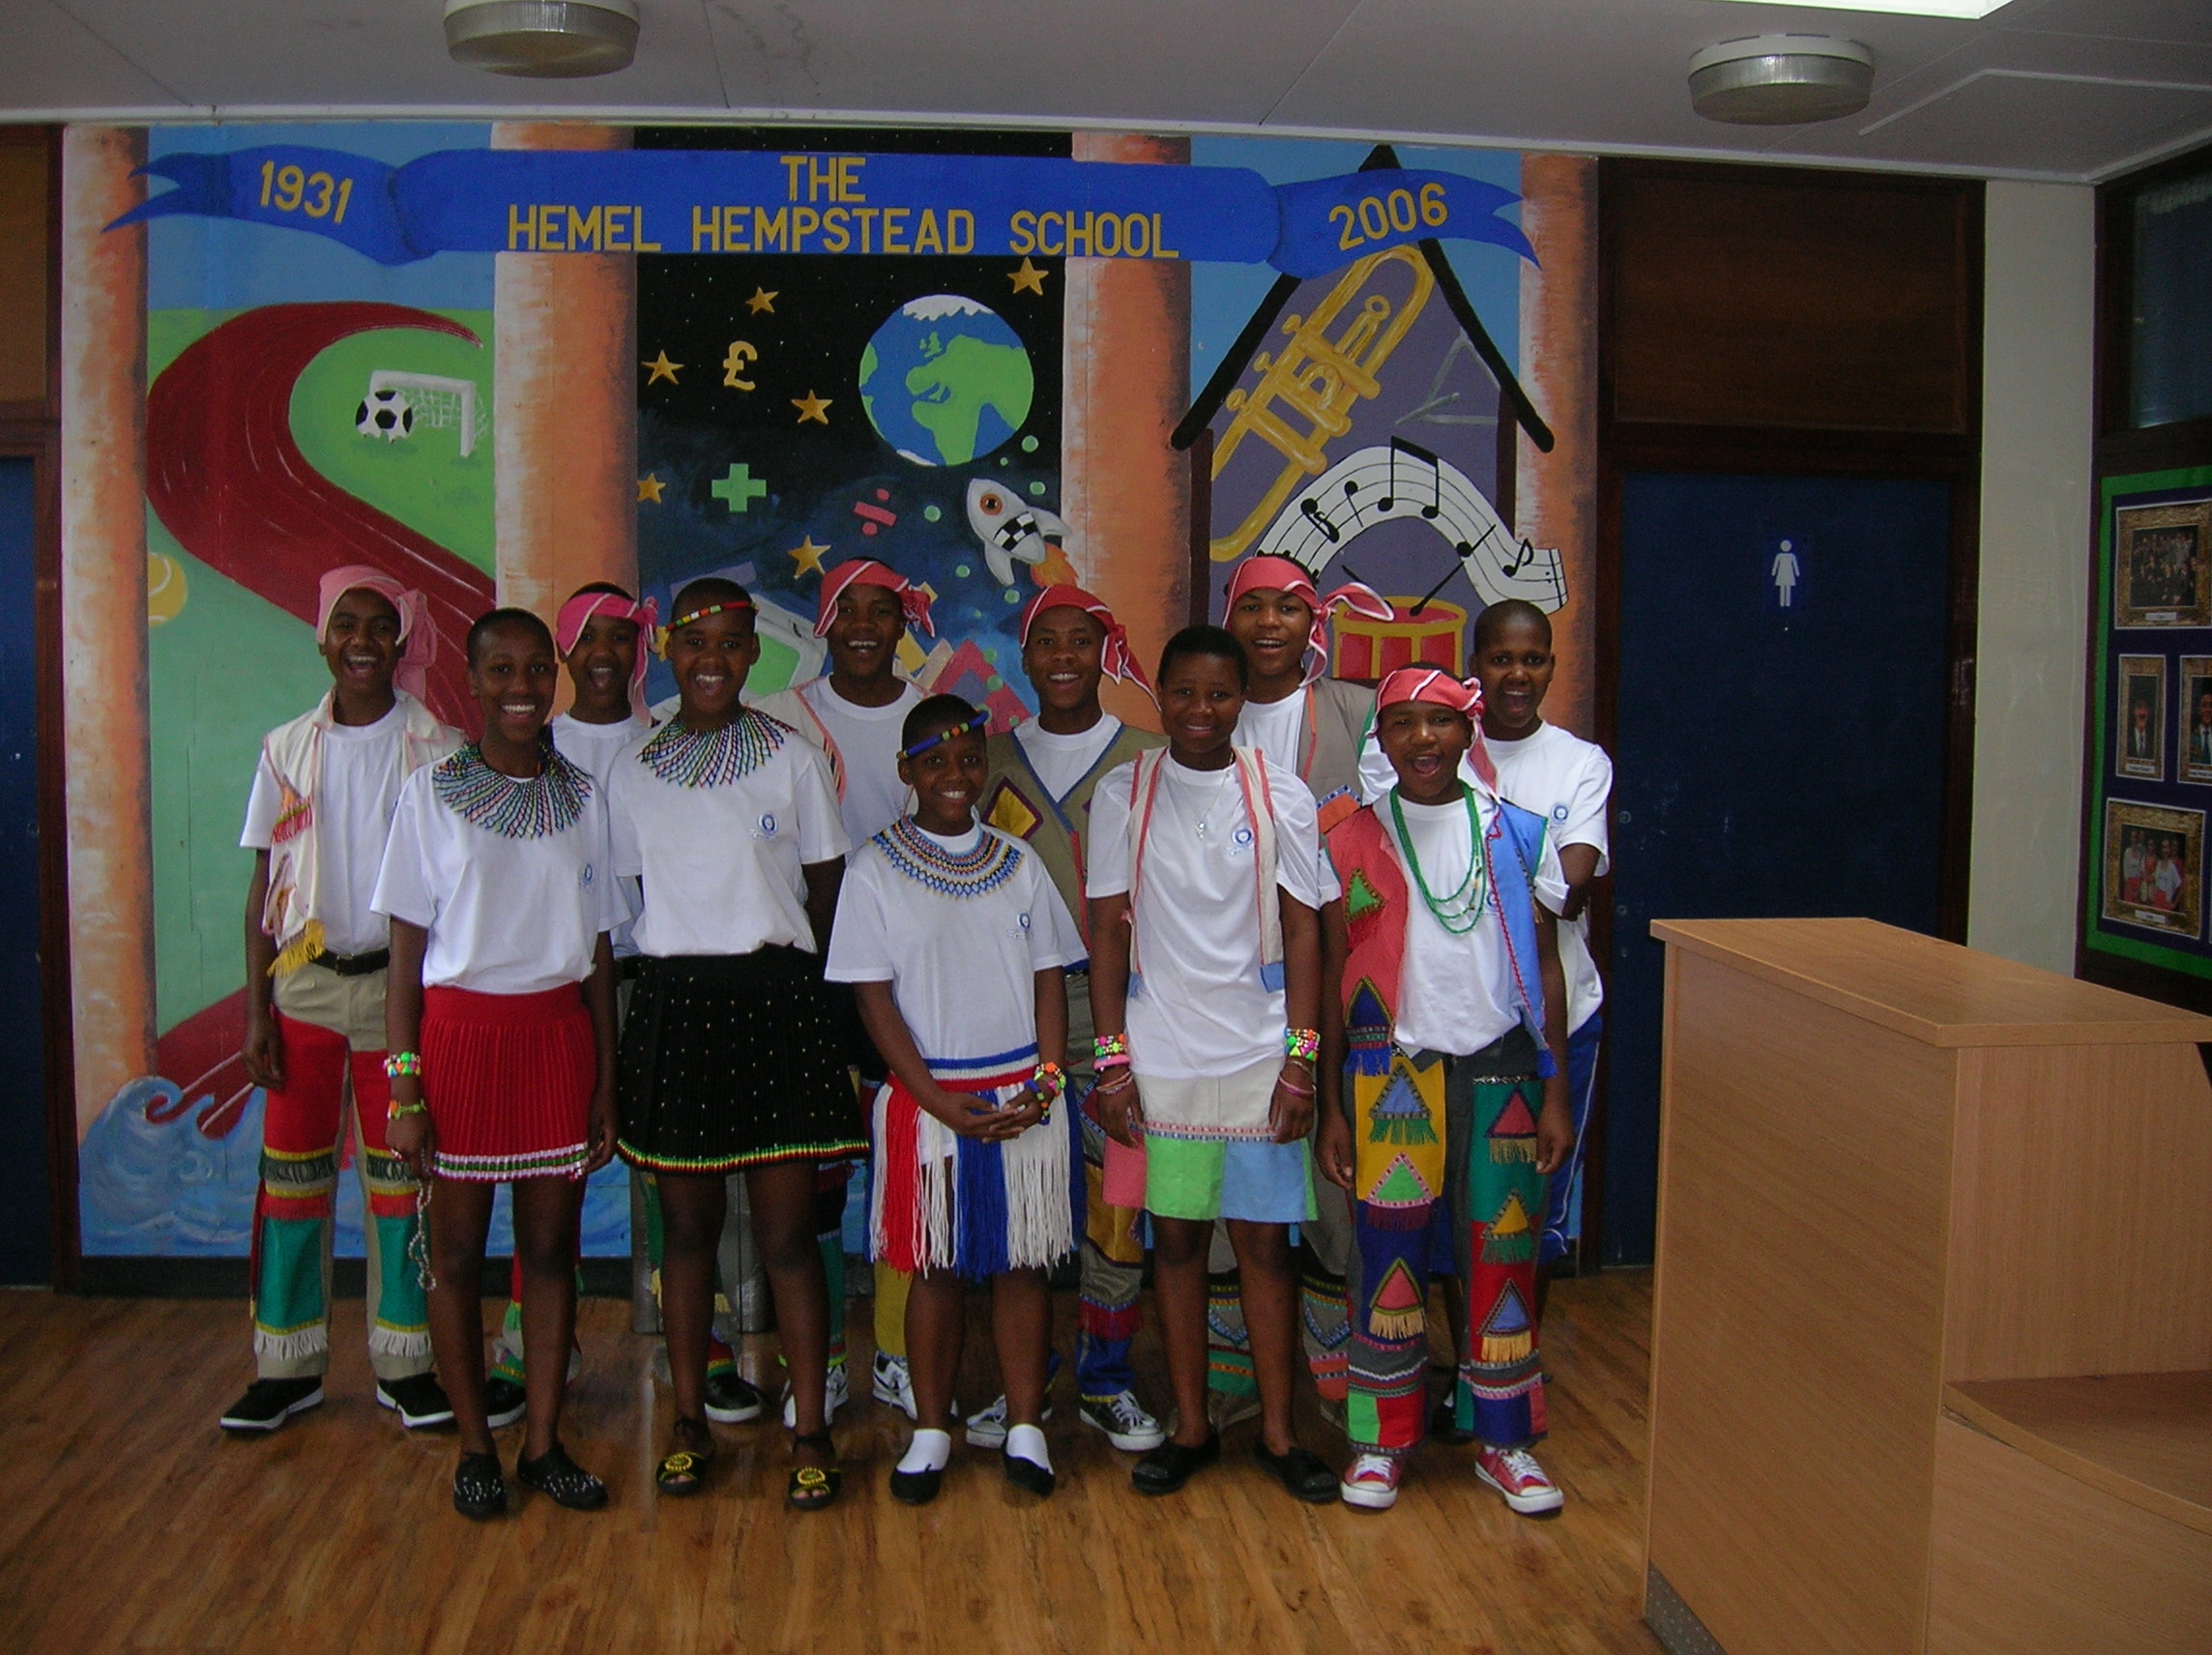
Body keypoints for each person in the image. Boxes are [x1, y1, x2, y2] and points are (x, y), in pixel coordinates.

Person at [609, 578, 864, 1511]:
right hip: (677, 1002)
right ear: (667, 652)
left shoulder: (793, 760)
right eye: (693, 643)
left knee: (790, 1237)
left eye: (729, 644)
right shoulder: (632, 771)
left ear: (754, 655)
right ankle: (686, 1421)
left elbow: (828, 894)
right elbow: (631, 907)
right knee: (687, 1234)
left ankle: (810, 1429)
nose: (710, 660)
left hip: (777, 1003)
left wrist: (824, 1009)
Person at [375, 607, 623, 1519]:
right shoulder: (430, 793)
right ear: (472, 681)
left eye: (534, 670)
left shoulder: (585, 800)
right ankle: (476, 1446)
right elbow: (405, 954)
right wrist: (404, 1083)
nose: (521, 689)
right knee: (455, 1255)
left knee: (551, 1253)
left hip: (556, 1040)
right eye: (501, 671)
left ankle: (545, 1443)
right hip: (461, 1044)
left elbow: (598, 948)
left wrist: (604, 1075)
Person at [1088, 624, 1339, 1503]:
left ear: (1243, 700)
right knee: (1180, 1243)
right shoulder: (1126, 792)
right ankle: (1192, 1428)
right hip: (1164, 1057)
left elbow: (1306, 929)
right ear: (1158, 695)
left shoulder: (1284, 796)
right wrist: (1112, 1060)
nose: (1201, 711)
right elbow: (1106, 931)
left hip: (1260, 1054)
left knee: (1268, 1248)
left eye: (1219, 695)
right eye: (1184, 693)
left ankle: (1278, 1433)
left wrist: (1302, 1062)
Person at [1318, 666, 1576, 1516]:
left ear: (1469, 735)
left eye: (1440, 722)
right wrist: (1330, 1107)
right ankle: (1381, 1443)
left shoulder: (1518, 833)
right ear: (1381, 739)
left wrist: (1557, 1091)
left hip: (1501, 1067)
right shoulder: (1346, 838)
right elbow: (1327, 977)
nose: (1423, 738)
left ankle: (1505, 1443)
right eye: (1404, 723)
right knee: (1384, 1261)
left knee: (1502, 1258)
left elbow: (1547, 967)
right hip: (1390, 1073)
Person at [478, 584, 732, 1431]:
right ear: (561, 654)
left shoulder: (666, 747)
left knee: (678, 1170)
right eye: (587, 639)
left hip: (646, 983)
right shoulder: (529, 748)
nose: (604, 655)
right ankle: (528, 1345)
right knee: (542, 1176)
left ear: (642, 653)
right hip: (554, 995)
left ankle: (704, 1346)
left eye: (622, 640)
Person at [220, 566, 459, 1437]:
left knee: (402, 1183)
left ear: (401, 642)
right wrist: (257, 1013)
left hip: (401, 999)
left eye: (380, 625)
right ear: (321, 639)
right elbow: (262, 888)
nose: (363, 639)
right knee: (292, 1184)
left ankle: (407, 1363)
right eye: (346, 624)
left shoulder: (437, 747)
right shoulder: (286, 748)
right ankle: (288, 1366)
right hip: (309, 991)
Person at [827, 693, 1081, 1502]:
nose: (953, 774)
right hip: (928, 1101)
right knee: (932, 1266)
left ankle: (1027, 1426)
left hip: (1023, 1097)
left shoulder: (1019, 862)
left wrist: (1047, 1079)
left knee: (1021, 1266)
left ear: (985, 765)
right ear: (905, 771)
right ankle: (932, 1427)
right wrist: (931, 1097)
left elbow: (1049, 974)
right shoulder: (873, 870)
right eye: (932, 760)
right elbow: (872, 998)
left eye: (968, 758)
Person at [973, 586, 1168, 1454]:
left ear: (1105, 652)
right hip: (1010, 1008)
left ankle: (1106, 1375)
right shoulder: (980, 759)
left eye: (1079, 641)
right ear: (1024, 654)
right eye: (1044, 640)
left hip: (1122, 1004)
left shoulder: (1151, 758)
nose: (1061, 656)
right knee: (1021, 1203)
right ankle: (1023, 1380)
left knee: (1116, 1202)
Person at [752, 556, 932, 1422]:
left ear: (904, 624)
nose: (864, 625)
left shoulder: (937, 721)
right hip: (813, 983)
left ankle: (899, 1352)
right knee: (816, 1183)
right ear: (822, 623)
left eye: (882, 609)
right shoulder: (781, 722)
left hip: (915, 985)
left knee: (907, 1171)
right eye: (846, 609)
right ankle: (817, 1361)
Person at [1217, 554, 1392, 1425]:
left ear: (1313, 618)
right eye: (1253, 607)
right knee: (1228, 1193)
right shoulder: (1204, 708)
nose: (1271, 624)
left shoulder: (1358, 715)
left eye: (1288, 607)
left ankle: (1339, 1374)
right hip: (1220, 990)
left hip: (1333, 980)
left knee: (1333, 1182)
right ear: (1229, 617)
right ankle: (1234, 1378)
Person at [1467, 600, 1614, 1305]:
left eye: (1532, 659)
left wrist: (1482, 885)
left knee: (1539, 1208)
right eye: (1501, 659)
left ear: (1552, 665)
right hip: (1463, 1018)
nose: (1517, 675)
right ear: (1477, 666)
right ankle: (1470, 1369)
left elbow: (1569, 888)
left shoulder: (1581, 764)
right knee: (1466, 1204)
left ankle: (1513, 1366)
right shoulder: (1439, 749)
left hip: (1561, 1018)